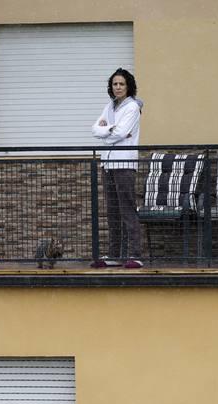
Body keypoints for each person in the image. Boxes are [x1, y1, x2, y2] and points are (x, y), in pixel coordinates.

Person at [90, 67, 144, 268]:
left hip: (124, 164)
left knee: (127, 210)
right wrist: (108, 131)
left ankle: (136, 255)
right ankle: (114, 255)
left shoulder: (132, 107)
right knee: (112, 211)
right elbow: (94, 129)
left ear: (128, 86)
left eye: (122, 84)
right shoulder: (109, 106)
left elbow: (121, 133)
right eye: (115, 84)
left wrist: (108, 131)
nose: (118, 87)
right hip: (108, 164)